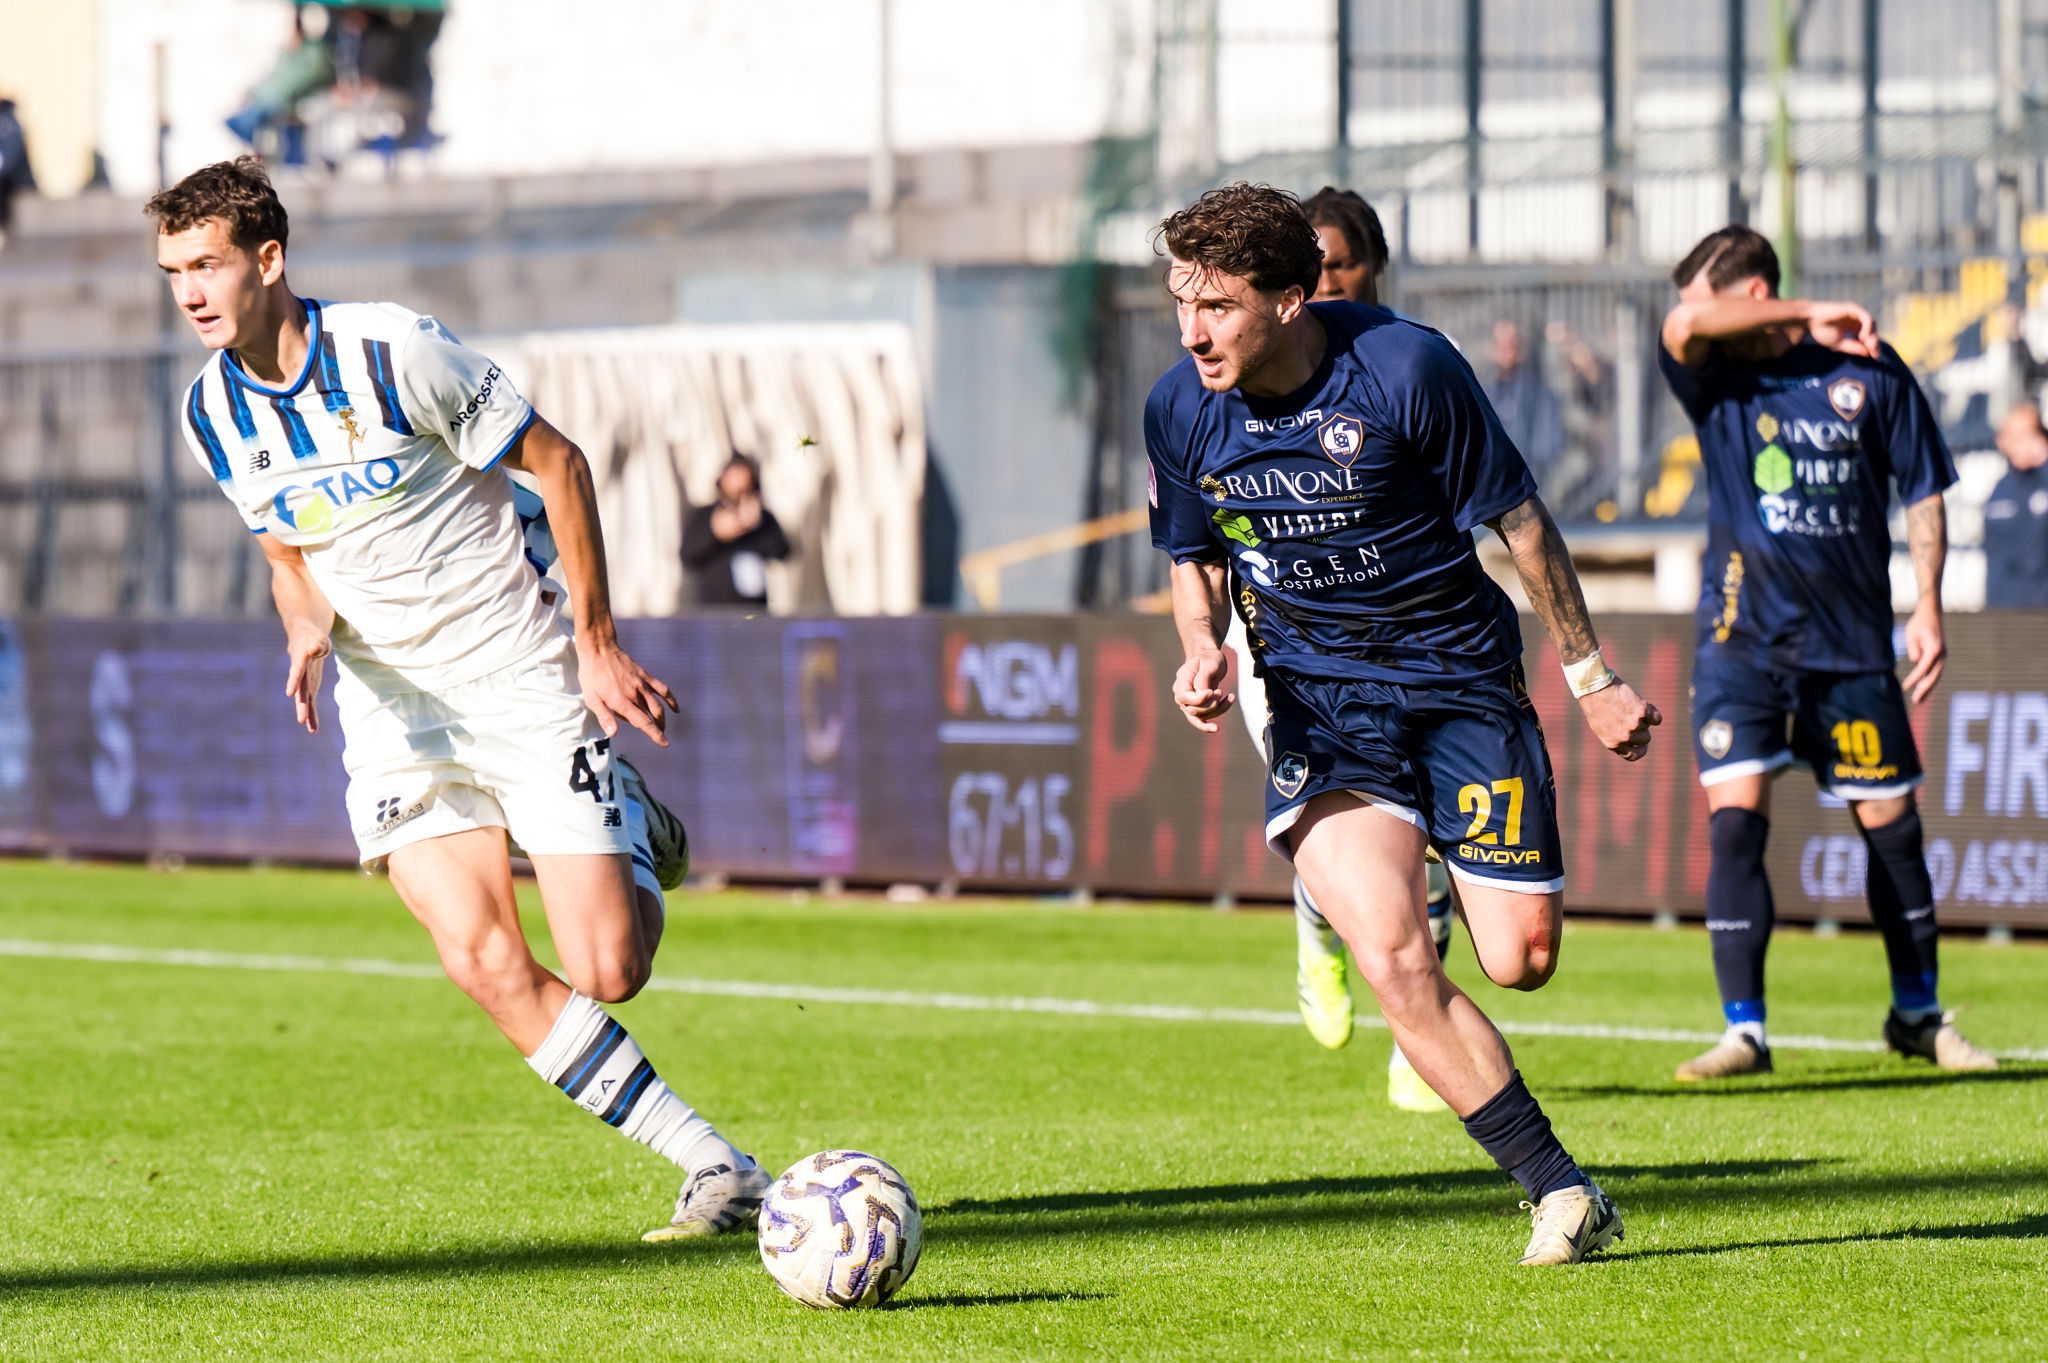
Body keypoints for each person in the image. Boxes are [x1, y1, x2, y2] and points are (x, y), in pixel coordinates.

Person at [153, 156, 767, 1241]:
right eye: (174, 271)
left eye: (207, 264)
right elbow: (286, 548)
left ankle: (626, 818)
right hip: (391, 703)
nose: (191, 291)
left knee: (606, 968)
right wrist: (302, 621)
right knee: (480, 958)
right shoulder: (211, 411)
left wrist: (596, 645)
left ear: (270, 259)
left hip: (517, 666)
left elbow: (561, 465)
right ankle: (711, 1160)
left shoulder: (393, 351)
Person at [1147, 184, 1659, 1265]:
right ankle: (1559, 1191)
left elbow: (1519, 520)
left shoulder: (1407, 369)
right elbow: (1191, 551)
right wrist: (1200, 646)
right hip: (1318, 704)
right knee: (1393, 960)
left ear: (1290, 301)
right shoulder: (1179, 406)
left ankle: (1398, 888)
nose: (1190, 332)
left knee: (1517, 960)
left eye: (1217, 307)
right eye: (1178, 303)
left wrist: (1589, 670)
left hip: (1459, 688)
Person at [1658, 224, 1996, 1080]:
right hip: (1741, 646)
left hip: (1851, 650)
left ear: (1753, 294)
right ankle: (1745, 1030)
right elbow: (1680, 330)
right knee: (1735, 826)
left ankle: (1917, 1013)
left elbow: (1922, 491)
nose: (1694, 316)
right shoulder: (1720, 378)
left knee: (1893, 834)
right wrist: (1813, 310)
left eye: (1708, 296)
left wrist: (1927, 607)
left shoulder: (1872, 372)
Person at [1232, 185, 1457, 1116]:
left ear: (1371, 271)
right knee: (1361, 845)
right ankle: (1320, 926)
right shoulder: (1235, 377)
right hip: (1284, 649)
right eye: (1302, 267)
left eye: (1336, 264)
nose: (1317, 282)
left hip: (1407, 646)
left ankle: (1419, 1034)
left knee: (1433, 851)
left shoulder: (1406, 367)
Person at [681, 453, 790, 608]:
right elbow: (687, 555)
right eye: (734, 477)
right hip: (715, 612)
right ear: (722, 479)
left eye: (744, 478)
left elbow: (782, 552)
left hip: (753, 611)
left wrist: (756, 526)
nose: (739, 484)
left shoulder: (763, 518)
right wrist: (716, 533)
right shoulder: (705, 516)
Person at [1483, 319, 1566, 484]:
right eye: (1501, 345)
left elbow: (1548, 447)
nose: (1507, 351)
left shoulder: (1542, 395)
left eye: (1512, 345)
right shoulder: (1482, 392)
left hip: (1529, 485)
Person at [1983, 401, 2048, 608]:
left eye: (2029, 435)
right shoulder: (1999, 491)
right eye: (2015, 437)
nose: (2023, 444)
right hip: (2005, 611)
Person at [0, 97, 36, 238]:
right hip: (10, 179)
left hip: (13, 181)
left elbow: (9, 156)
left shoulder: (7, 123)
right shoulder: (8, 122)